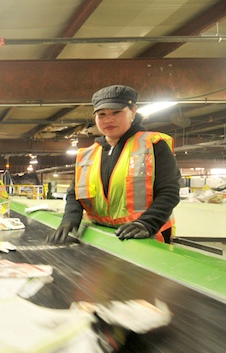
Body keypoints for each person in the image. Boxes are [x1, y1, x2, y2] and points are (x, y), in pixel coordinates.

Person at [48, 85, 181, 244]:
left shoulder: (153, 145)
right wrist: (70, 218)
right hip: (102, 234)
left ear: (133, 112)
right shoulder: (87, 154)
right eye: (102, 114)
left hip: (146, 235)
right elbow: (75, 193)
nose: (108, 120)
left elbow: (169, 191)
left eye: (116, 112)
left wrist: (147, 223)